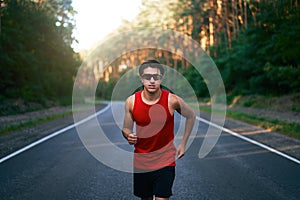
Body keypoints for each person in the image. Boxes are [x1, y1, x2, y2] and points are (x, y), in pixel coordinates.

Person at [122, 59, 196, 200]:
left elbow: (191, 116)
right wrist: (128, 135)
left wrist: (183, 144)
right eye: (147, 76)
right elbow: (126, 128)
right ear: (141, 78)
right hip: (141, 161)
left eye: (156, 77)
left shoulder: (172, 100)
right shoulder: (131, 101)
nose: (151, 81)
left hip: (165, 161)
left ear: (161, 78)